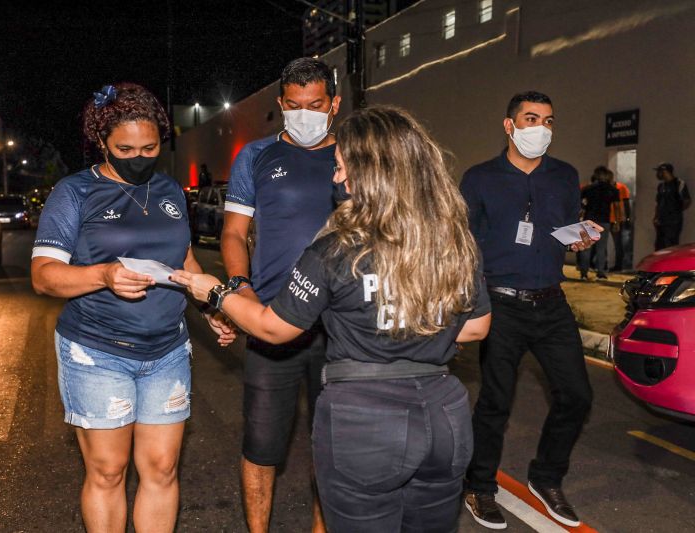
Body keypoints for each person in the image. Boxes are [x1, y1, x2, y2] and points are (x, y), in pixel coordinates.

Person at [172, 105, 492, 532]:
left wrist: (214, 291)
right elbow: (475, 326)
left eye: (342, 168)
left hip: (366, 423)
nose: (336, 178)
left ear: (371, 171)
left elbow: (272, 326)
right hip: (445, 415)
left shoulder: (337, 248)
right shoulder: (453, 241)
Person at [31, 83, 235, 533]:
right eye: (125, 148)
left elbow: (181, 258)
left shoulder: (168, 189)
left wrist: (208, 307)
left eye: (150, 147)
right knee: (108, 471)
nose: (139, 158)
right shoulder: (75, 192)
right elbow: (44, 275)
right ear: (102, 142)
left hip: (166, 349)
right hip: (97, 350)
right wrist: (102, 275)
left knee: (162, 469)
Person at [461, 91, 599, 530]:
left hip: (551, 302)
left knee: (577, 395)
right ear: (510, 125)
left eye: (549, 120)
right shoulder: (479, 178)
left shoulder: (564, 174)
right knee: (496, 402)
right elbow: (464, 245)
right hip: (500, 303)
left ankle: (546, 477)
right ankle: (479, 486)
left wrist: (578, 241)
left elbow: (563, 231)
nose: (541, 127)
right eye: (531, 118)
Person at [220, 57, 341, 533]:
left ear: (334, 103)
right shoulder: (255, 157)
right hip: (272, 321)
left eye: (315, 104)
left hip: (342, 327)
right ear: (281, 104)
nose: (304, 113)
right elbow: (233, 234)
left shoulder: (355, 155)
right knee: (262, 445)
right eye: (294, 105)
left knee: (330, 446)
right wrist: (240, 289)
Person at [578, 166, 618, 279]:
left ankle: (584, 273)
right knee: (601, 248)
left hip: (589, 220)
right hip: (604, 221)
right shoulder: (612, 189)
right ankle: (600, 272)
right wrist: (616, 222)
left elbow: (579, 202)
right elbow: (616, 207)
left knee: (586, 247)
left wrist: (582, 209)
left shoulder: (588, 188)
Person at [653, 162, 691, 250]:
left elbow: (687, 200)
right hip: (661, 222)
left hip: (673, 223)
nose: (658, 174)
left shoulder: (679, 183)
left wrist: (675, 212)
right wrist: (656, 217)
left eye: (659, 171)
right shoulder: (661, 186)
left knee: (670, 247)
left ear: (665, 171)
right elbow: (658, 203)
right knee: (659, 246)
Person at [608, 171, 631, 271]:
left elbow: (626, 203)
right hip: (606, 218)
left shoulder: (621, 187)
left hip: (617, 219)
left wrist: (627, 217)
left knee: (618, 244)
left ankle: (619, 265)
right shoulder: (605, 188)